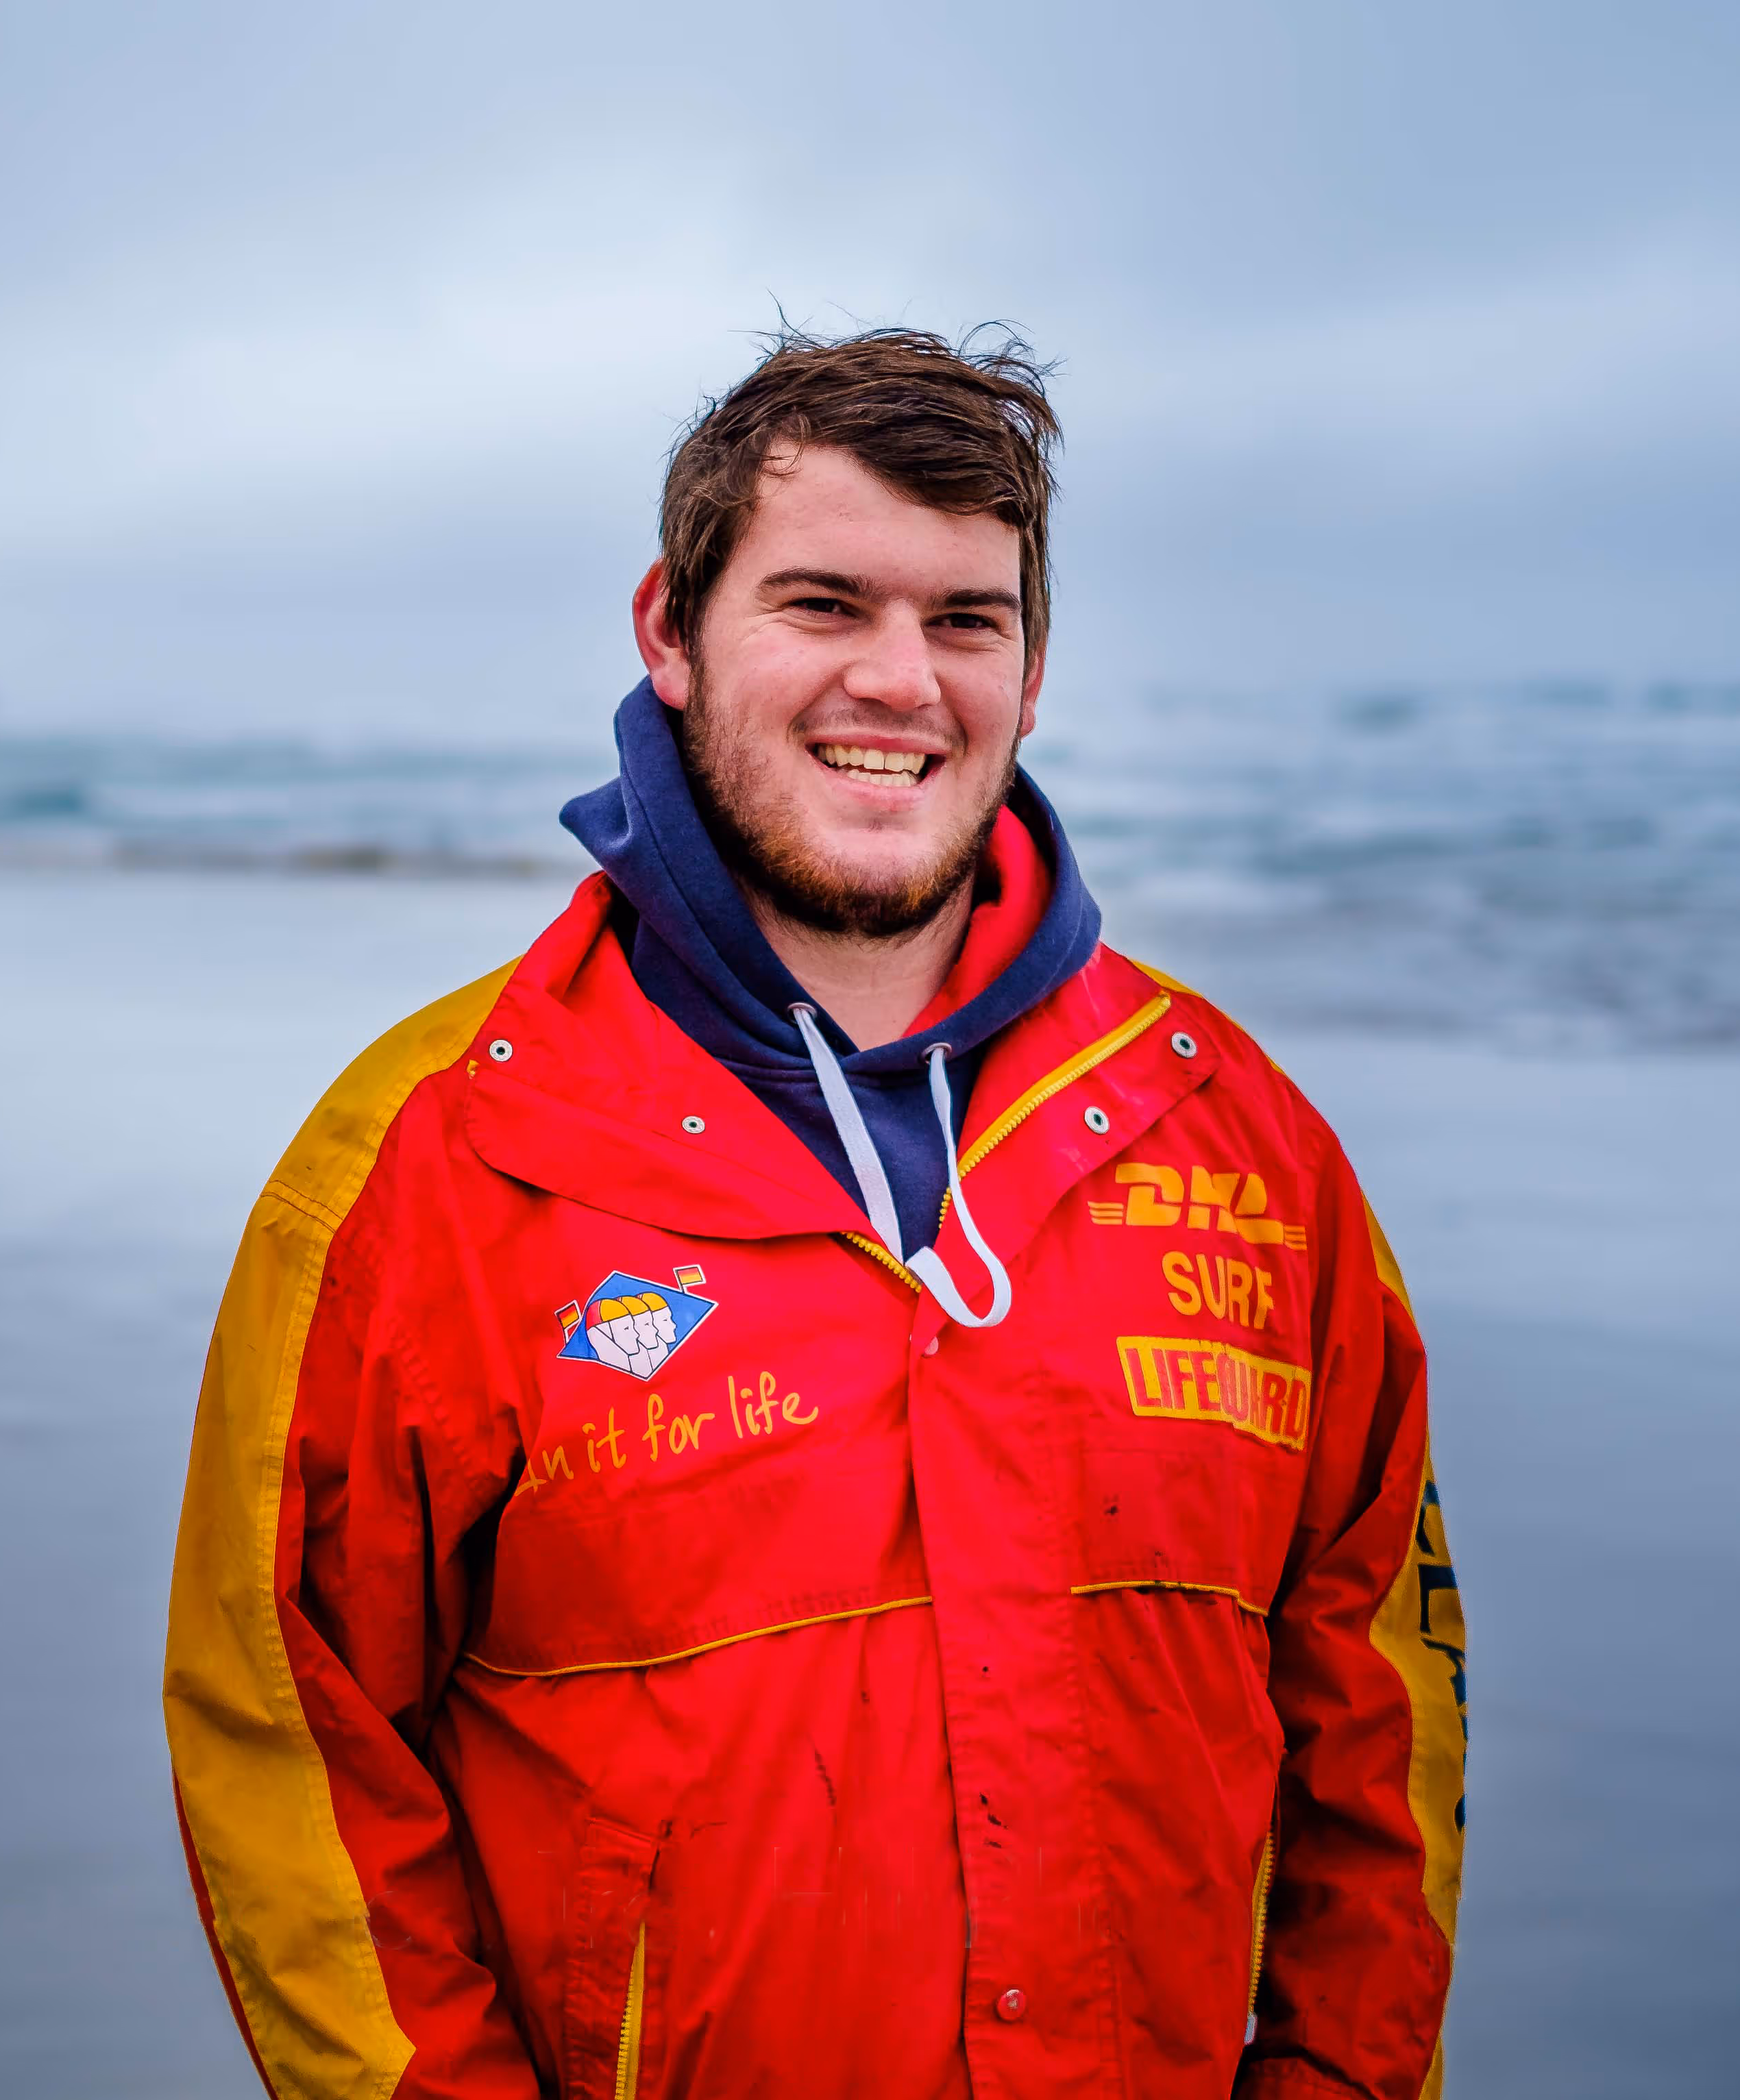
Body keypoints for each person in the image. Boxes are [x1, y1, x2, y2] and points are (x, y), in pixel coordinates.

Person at [162, 329, 1465, 2100]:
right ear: (670, 630)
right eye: (823, 604)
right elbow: (289, 1736)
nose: (900, 680)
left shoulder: (1243, 1140)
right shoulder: (426, 1158)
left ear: (1030, 672)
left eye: (966, 622)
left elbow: (1378, 1706)